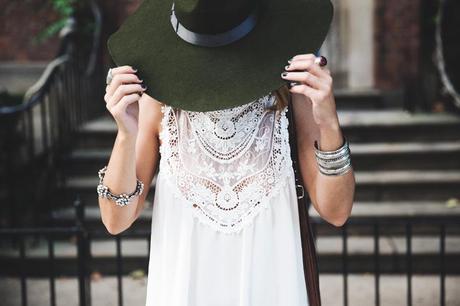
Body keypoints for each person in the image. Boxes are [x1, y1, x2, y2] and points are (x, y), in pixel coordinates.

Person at [98, 0, 355, 305]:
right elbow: (116, 220)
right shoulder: (160, 99)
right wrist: (127, 134)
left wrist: (329, 123)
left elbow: (336, 211)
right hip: (185, 290)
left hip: (272, 289)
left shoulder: (291, 91)